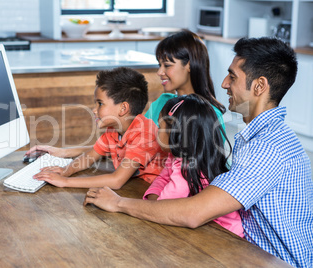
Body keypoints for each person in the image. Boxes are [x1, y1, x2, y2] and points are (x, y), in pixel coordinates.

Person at [84, 37, 313, 267]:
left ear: (259, 86)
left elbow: (194, 213)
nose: (224, 83)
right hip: (246, 251)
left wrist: (119, 204)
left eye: (232, 77)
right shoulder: (263, 135)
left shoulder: (268, 147)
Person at [25, 29, 226, 158]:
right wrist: (62, 152)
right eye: (159, 65)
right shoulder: (162, 102)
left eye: (167, 65)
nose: (159, 72)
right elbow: (126, 143)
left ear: (189, 65)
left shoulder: (208, 113)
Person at [32, 67, 167, 188]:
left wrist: (65, 182)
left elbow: (116, 180)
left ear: (123, 108)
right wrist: (66, 171)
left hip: (156, 189)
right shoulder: (112, 130)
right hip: (136, 185)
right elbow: (89, 157)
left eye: (100, 104)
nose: (94, 110)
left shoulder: (144, 133)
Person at [143, 94, 244, 237]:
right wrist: (154, 201)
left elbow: (164, 205)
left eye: (160, 126)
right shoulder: (176, 156)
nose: (156, 131)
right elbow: (162, 180)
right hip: (205, 230)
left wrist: (155, 205)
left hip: (225, 237)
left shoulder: (188, 166)